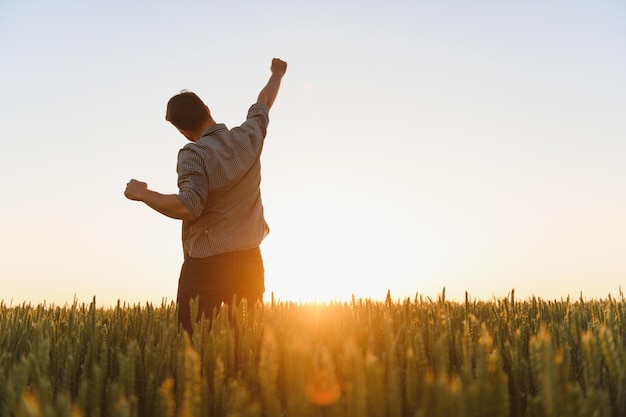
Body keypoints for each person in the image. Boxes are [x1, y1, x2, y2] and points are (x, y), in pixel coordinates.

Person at [124, 58, 287, 334]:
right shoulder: (249, 136)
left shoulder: (193, 154)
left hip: (206, 269)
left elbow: (188, 206)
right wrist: (276, 75)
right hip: (249, 261)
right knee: (248, 346)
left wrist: (143, 193)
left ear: (183, 132)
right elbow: (264, 103)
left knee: (194, 347)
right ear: (208, 110)